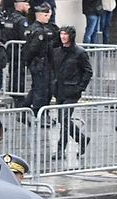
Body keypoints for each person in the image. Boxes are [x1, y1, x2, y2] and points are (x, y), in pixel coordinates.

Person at [51, 26, 92, 159]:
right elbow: (54, 69)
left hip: (72, 90)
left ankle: (61, 148)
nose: (63, 37)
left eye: (66, 34)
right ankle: (81, 139)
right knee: (63, 120)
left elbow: (88, 71)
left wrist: (80, 87)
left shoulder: (79, 53)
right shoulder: (56, 51)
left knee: (64, 119)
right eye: (61, 34)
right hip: (60, 90)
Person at [21, 3, 58, 115]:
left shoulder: (36, 28)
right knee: (41, 89)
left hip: (41, 62)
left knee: (39, 88)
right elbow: (33, 49)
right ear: (40, 15)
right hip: (40, 63)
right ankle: (39, 113)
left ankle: (24, 108)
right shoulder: (38, 31)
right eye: (46, 15)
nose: (48, 17)